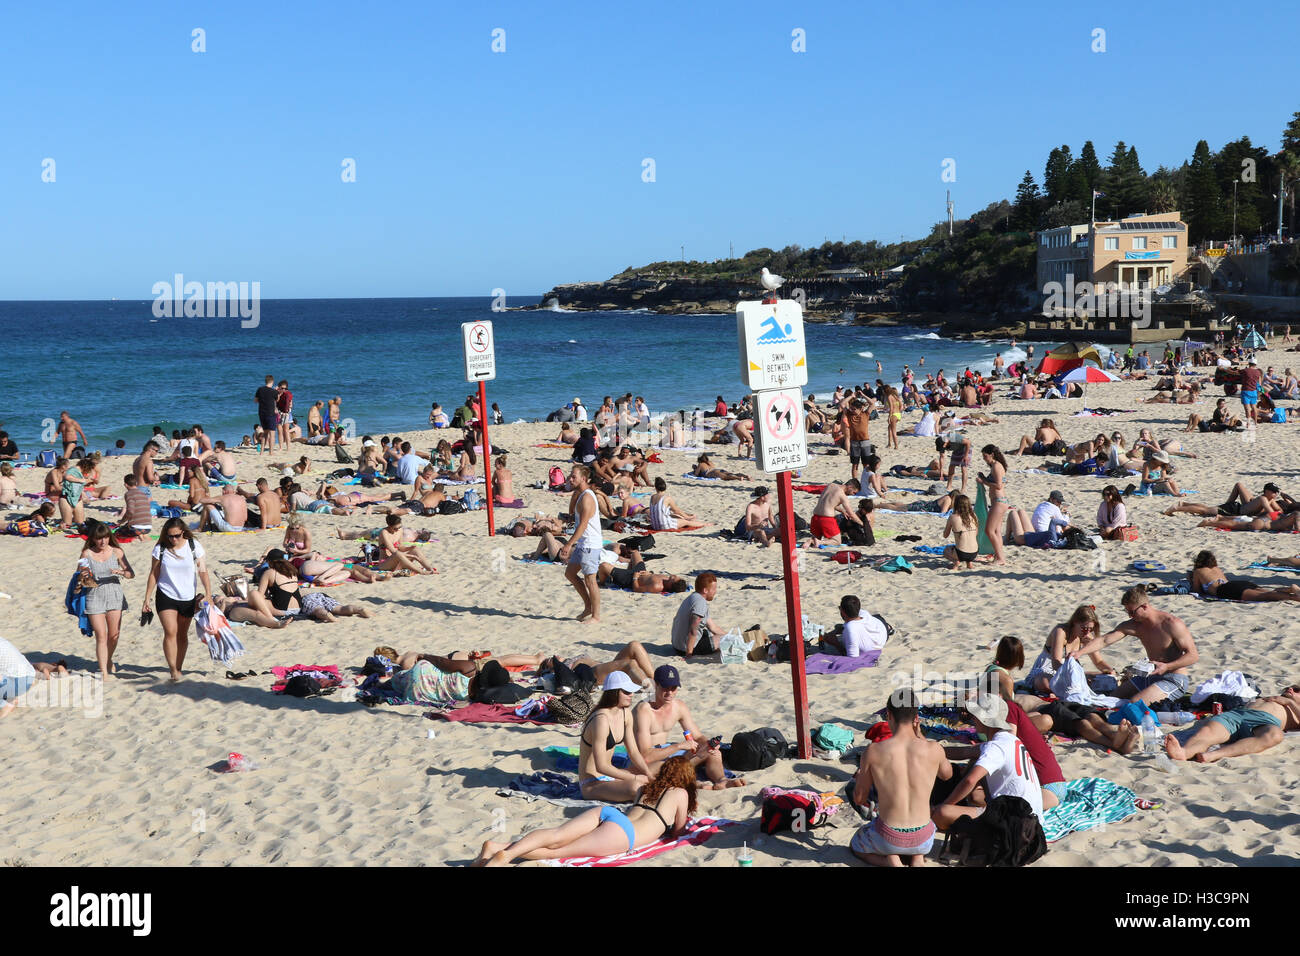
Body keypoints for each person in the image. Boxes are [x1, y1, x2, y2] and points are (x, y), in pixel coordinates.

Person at [473, 754, 695, 866]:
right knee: (557, 852)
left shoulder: (646, 788)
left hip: (608, 813)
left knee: (556, 835)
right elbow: (678, 831)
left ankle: (501, 849)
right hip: (624, 833)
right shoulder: (680, 794)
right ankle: (504, 853)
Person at [850, 689, 952, 866]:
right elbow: (947, 775)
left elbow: (859, 799)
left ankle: (891, 862)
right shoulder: (934, 749)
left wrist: (862, 778)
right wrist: (919, 734)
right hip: (924, 839)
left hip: (889, 837)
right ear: (916, 718)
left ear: (888, 715)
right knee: (917, 838)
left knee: (856, 844)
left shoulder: (873, 751)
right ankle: (916, 857)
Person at [1071, 585, 1198, 705]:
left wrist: (1167, 666)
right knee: (1110, 699)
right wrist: (1079, 653)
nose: (1130, 616)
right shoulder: (1135, 625)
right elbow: (1104, 640)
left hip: (1174, 678)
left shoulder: (1171, 624)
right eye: (1127, 612)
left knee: (1135, 703)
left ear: (1145, 606)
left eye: (1132, 612)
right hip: (1151, 676)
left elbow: (1193, 655)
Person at [933, 694, 1045, 830]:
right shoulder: (1010, 740)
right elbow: (964, 752)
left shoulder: (995, 747)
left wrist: (947, 804)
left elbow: (970, 781)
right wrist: (933, 749)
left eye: (975, 716)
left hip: (1014, 823)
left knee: (941, 813)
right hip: (1032, 820)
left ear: (984, 720)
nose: (973, 719)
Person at [633, 665, 745, 789]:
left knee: (714, 752)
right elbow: (645, 756)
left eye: (674, 688)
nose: (670, 693)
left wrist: (708, 744)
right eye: (665, 688)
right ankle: (691, 783)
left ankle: (722, 780)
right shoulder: (644, 710)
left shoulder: (678, 706)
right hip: (648, 761)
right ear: (655, 685)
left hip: (670, 753)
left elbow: (697, 736)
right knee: (663, 767)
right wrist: (678, 746)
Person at [142, 518, 213, 682]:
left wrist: (208, 592)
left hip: (188, 596)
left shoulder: (193, 546)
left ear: (183, 532)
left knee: (182, 635)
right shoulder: (160, 548)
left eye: (177, 536)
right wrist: (147, 597)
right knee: (170, 631)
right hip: (166, 594)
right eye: (170, 536)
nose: (173, 539)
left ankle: (179, 666)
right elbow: (154, 573)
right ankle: (173, 669)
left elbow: (203, 571)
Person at [1166, 685, 1300, 763]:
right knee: (1207, 733)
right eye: (1290, 687)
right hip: (1237, 715)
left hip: (1265, 722)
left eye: (1297, 690)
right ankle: (1184, 752)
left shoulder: (1294, 709)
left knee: (1275, 736)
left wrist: (1290, 702)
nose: (1290, 689)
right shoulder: (1273, 698)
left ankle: (1213, 755)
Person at [577, 672, 653, 802]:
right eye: (627, 692)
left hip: (610, 776)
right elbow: (601, 766)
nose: (631, 695)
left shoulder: (626, 714)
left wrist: (648, 774)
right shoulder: (601, 720)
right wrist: (634, 778)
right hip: (592, 782)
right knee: (636, 787)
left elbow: (634, 752)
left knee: (657, 769)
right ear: (614, 692)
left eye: (631, 691)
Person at [75, 524, 134, 679]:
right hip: (94, 596)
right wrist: (85, 575)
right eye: (99, 538)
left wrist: (120, 572)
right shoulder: (86, 553)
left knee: (114, 635)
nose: (102, 541)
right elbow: (79, 576)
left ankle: (107, 660)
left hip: (114, 594)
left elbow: (130, 574)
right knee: (101, 635)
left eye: (106, 537)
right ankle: (104, 672)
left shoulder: (117, 552)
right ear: (93, 539)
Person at [558, 464, 603, 623]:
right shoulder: (580, 494)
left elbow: (584, 525)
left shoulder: (587, 497)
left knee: (590, 580)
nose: (570, 478)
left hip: (590, 544)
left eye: (573, 476)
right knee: (570, 573)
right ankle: (588, 607)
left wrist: (568, 544)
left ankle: (596, 616)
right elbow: (577, 518)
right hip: (584, 544)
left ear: (583, 479)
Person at [1189, 550, 1300, 602]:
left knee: (1264, 596)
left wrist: (1191, 580)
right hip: (1237, 584)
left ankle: (1293, 596)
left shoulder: (1198, 571)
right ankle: (1290, 589)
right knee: (1265, 592)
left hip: (1226, 590)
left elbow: (1197, 591)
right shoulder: (1216, 568)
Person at [670, 572, 725, 658]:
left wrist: (731, 636)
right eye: (714, 589)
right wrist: (689, 653)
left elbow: (712, 627)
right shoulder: (700, 603)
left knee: (710, 634)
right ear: (705, 590)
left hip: (676, 646)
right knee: (724, 640)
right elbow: (693, 630)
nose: (715, 591)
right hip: (685, 649)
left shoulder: (693, 597)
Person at [821, 594, 887, 657]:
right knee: (874, 616)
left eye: (839, 608)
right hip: (881, 630)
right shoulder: (863, 613)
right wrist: (836, 631)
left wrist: (836, 644)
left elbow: (852, 657)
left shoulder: (850, 628)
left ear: (843, 612)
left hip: (881, 635)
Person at [975, 446, 1008, 566]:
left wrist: (983, 481)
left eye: (985, 456)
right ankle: (999, 556)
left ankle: (1000, 558)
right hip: (998, 501)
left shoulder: (997, 466)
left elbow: (998, 486)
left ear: (992, 454)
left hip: (999, 501)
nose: (984, 459)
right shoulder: (996, 466)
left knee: (989, 530)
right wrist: (984, 478)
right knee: (996, 531)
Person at [807, 478, 862, 547]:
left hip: (815, 517)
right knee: (837, 541)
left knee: (815, 540)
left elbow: (830, 502)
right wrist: (862, 523)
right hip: (826, 519)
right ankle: (818, 541)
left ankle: (811, 541)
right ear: (850, 487)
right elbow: (851, 514)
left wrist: (842, 511)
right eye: (854, 492)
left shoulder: (831, 485)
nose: (853, 495)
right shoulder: (843, 496)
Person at [254, 376, 280, 453]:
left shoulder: (260, 389)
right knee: (272, 434)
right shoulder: (274, 391)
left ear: (266, 381)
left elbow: (255, 400)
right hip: (271, 413)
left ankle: (261, 451)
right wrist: (276, 391)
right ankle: (271, 452)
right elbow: (277, 399)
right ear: (272, 382)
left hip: (262, 413)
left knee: (265, 433)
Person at [1241, 358, 1263, 424]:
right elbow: (1259, 384)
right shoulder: (1258, 372)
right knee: (1254, 407)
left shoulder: (1245, 370)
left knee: (1247, 408)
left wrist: (1225, 370)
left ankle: (1248, 423)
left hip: (1246, 390)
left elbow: (1235, 373)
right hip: (1254, 391)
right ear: (1255, 364)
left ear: (1249, 363)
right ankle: (1256, 422)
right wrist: (1260, 392)